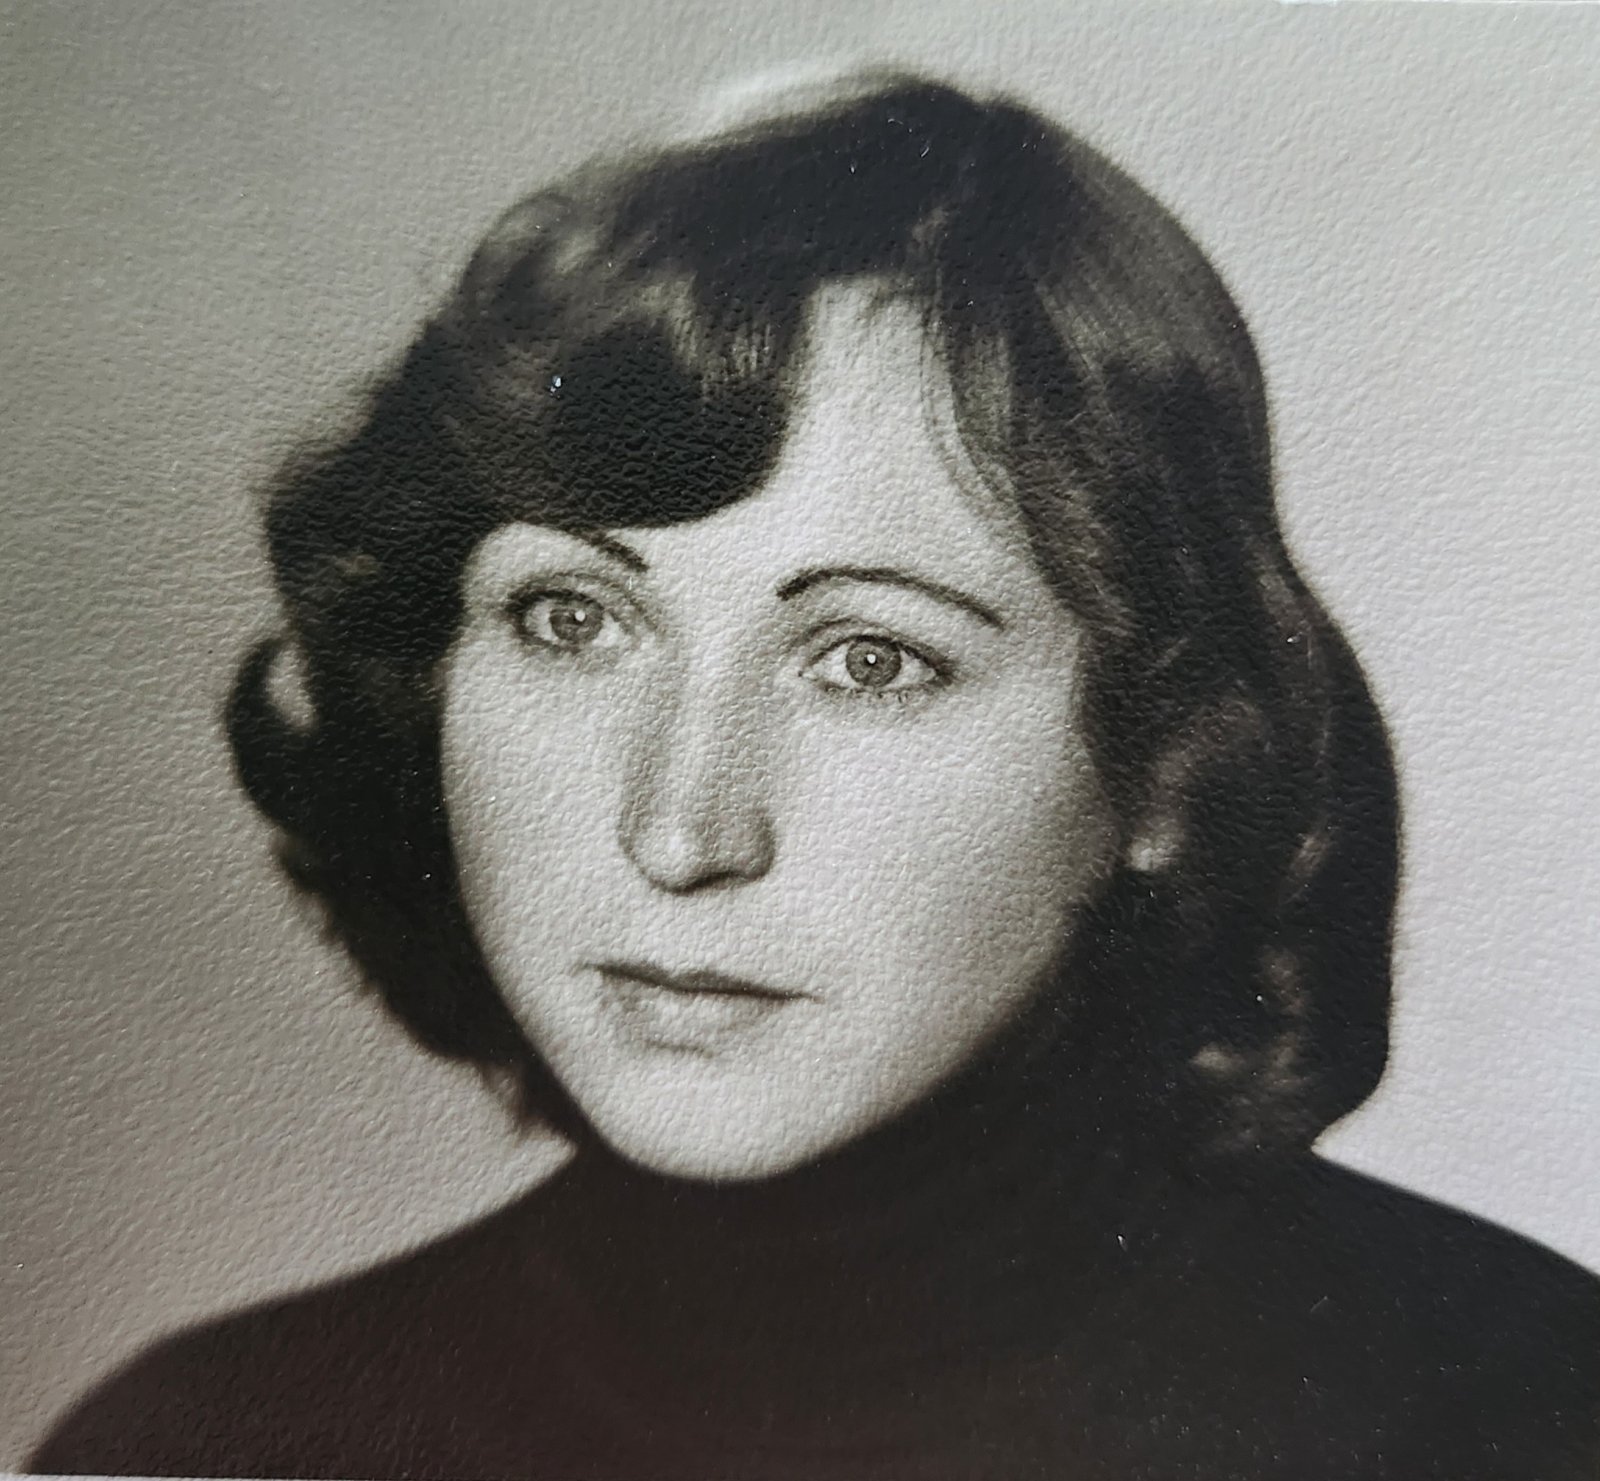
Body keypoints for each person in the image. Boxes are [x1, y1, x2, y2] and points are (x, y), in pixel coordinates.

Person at [29, 73, 1600, 1481]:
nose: (678, 829)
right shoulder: (197, 1447)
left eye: (870, 659)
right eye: (573, 620)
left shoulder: (1524, 1411)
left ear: (1171, 773)